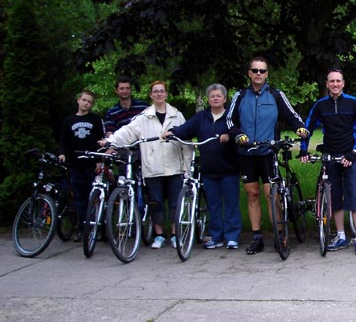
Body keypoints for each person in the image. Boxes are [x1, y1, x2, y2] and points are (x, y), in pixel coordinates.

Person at [226, 56, 308, 255]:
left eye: (262, 71)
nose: (258, 74)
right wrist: (238, 135)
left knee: (271, 193)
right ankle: (257, 237)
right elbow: (229, 121)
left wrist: (300, 128)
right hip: (246, 152)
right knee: (252, 194)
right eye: (255, 70)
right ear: (249, 73)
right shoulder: (240, 95)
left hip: (267, 152)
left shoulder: (275, 95)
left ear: (267, 74)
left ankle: (280, 234)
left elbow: (291, 115)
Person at [104, 81, 192, 249]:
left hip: (174, 166)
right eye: (155, 91)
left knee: (175, 202)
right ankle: (159, 235)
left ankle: (174, 234)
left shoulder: (177, 115)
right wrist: (110, 141)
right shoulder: (143, 117)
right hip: (153, 166)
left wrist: (187, 168)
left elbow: (185, 141)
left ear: (166, 94)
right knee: (156, 202)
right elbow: (127, 132)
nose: (159, 94)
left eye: (162, 91)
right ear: (151, 95)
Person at [299, 68, 356, 255]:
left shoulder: (353, 102)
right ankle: (340, 236)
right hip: (330, 155)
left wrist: (354, 152)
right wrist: (303, 149)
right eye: (332, 81)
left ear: (343, 83)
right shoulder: (320, 105)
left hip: (350, 155)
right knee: (334, 198)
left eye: (338, 81)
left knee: (354, 196)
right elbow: (307, 128)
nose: (335, 84)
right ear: (327, 84)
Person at [164, 84, 243, 250]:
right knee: (213, 205)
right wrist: (172, 132)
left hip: (229, 168)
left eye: (218, 96)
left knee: (231, 204)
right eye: (212, 96)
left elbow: (239, 131)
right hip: (208, 169)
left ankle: (232, 236)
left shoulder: (231, 116)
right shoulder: (201, 117)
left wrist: (229, 135)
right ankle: (216, 236)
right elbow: (186, 130)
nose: (215, 98)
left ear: (224, 98)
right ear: (208, 99)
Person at [58, 90, 104, 240]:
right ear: (78, 100)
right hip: (75, 164)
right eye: (84, 100)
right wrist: (62, 153)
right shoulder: (69, 120)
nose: (86, 103)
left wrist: (99, 159)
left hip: (91, 163)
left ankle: (94, 227)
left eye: (89, 101)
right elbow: (64, 140)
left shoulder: (95, 120)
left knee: (93, 196)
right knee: (79, 197)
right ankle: (81, 226)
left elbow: (100, 141)